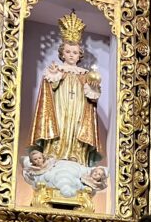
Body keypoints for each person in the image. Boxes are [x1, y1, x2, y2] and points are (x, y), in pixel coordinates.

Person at [31, 10, 102, 166]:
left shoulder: (85, 74)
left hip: (78, 108)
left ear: (79, 55)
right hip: (60, 108)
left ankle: (76, 156)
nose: (71, 55)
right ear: (62, 53)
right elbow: (50, 89)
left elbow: (92, 97)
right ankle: (55, 156)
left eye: (75, 52)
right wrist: (55, 75)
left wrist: (94, 87)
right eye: (68, 51)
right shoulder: (56, 70)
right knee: (61, 127)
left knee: (76, 128)